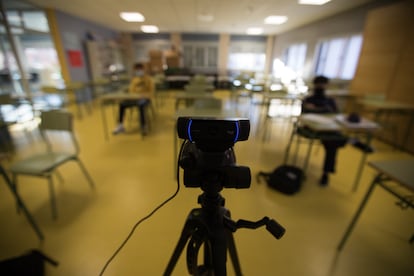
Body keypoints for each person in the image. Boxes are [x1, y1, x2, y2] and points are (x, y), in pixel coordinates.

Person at [301, 76, 348, 186]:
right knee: (334, 140)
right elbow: (304, 114)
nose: (321, 86)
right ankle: (348, 141)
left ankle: (326, 173)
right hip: (311, 129)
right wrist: (321, 109)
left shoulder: (330, 100)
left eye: (323, 84)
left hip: (326, 129)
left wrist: (316, 109)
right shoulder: (308, 99)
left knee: (332, 143)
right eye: (319, 84)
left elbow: (334, 114)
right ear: (315, 85)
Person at [112, 62, 154, 136]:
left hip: (145, 98)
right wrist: (131, 97)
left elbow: (151, 92)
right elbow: (131, 91)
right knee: (122, 104)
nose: (138, 71)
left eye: (139, 69)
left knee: (141, 105)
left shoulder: (149, 79)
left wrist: (144, 95)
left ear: (143, 69)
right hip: (134, 99)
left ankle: (143, 126)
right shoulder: (134, 80)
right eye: (136, 70)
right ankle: (120, 125)